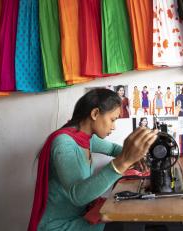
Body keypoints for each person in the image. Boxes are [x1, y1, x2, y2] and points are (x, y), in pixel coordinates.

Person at [27, 88, 158, 231]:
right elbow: (78, 195)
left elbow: (114, 149)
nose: (114, 127)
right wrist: (124, 162)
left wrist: (135, 157)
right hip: (57, 225)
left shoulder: (87, 138)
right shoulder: (63, 143)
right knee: (126, 224)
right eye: (112, 120)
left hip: (79, 215)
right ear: (95, 114)